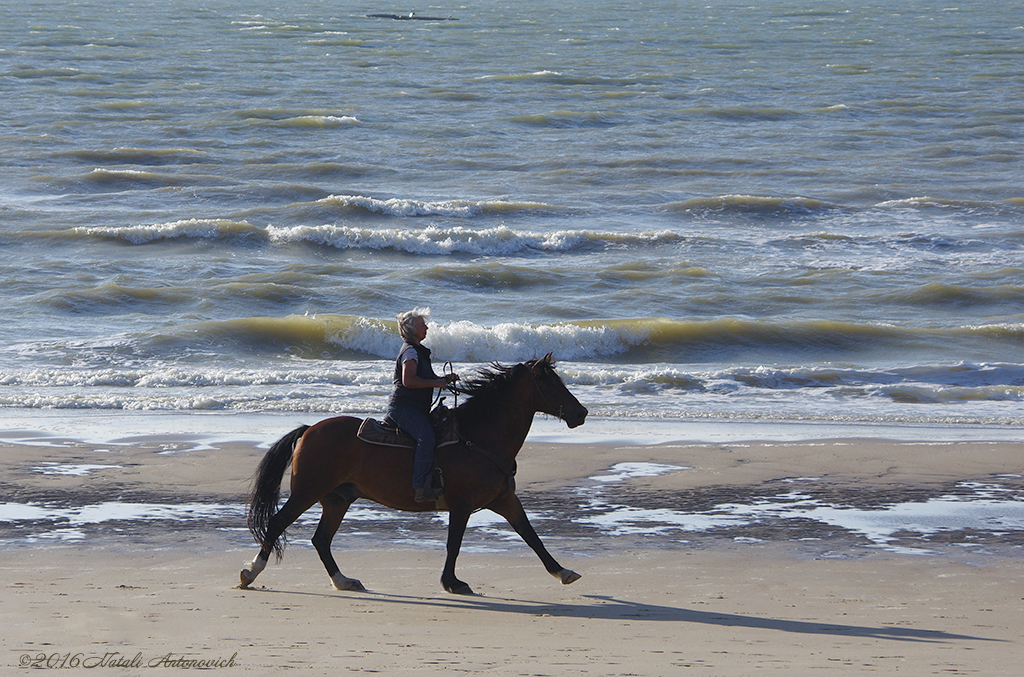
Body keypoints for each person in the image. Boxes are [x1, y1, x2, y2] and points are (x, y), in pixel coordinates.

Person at [386, 308, 459, 502]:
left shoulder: (418, 351)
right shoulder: (410, 351)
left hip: (415, 408)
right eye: (422, 324)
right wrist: (437, 383)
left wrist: (445, 379)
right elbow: (408, 381)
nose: (426, 327)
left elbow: (426, 378)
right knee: (426, 437)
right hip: (403, 408)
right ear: (411, 329)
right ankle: (420, 487)